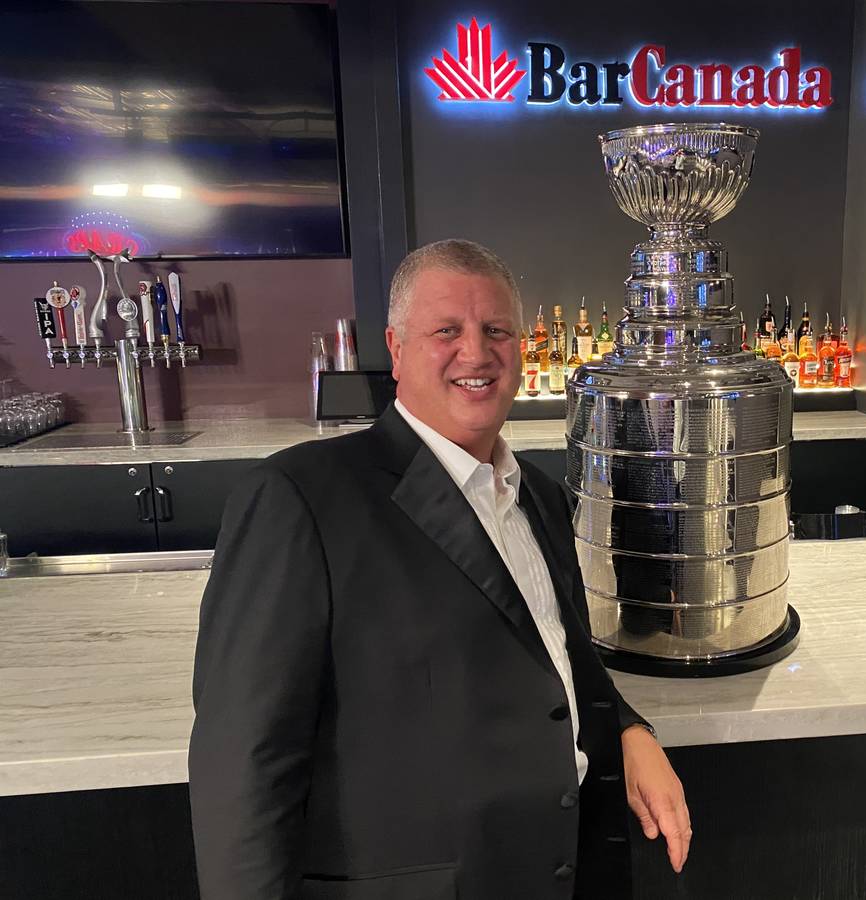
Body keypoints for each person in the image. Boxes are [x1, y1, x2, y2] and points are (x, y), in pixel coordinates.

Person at [189, 239, 691, 900]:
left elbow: (560, 653)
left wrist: (627, 728)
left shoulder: (538, 495)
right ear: (396, 349)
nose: (476, 353)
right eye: (446, 330)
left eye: (497, 331)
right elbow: (244, 763)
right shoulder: (300, 497)